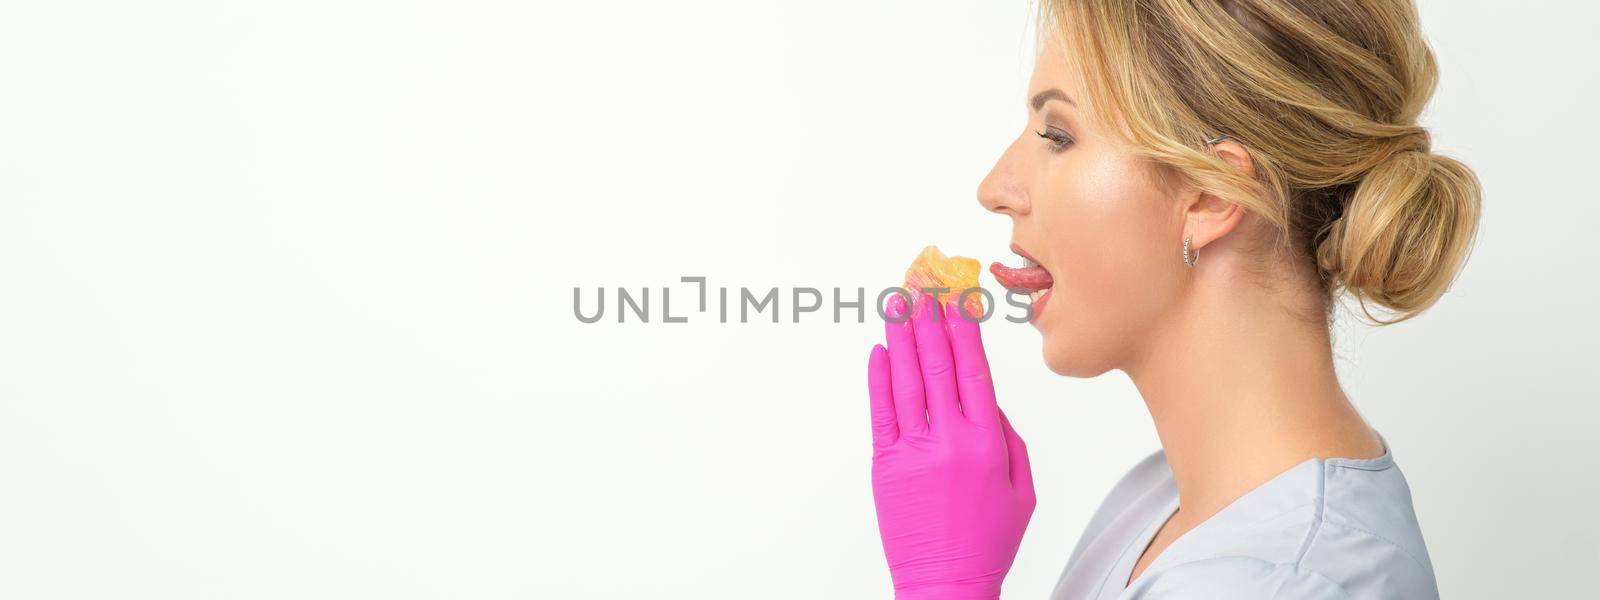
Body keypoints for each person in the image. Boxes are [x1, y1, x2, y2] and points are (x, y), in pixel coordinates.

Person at [865, 0, 1481, 598]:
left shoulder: (1279, 583)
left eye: (1058, 136)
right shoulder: (1161, 499)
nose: (994, 189)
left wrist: (941, 586)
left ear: (1213, 196)